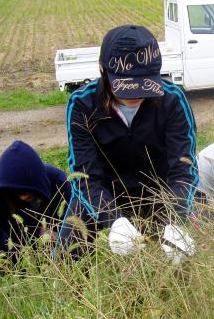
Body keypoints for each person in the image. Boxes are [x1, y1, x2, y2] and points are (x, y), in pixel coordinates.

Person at [57, 25, 198, 262]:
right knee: (66, 258)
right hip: (102, 193)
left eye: (144, 84)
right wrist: (113, 220)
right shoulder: (82, 105)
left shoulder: (173, 101)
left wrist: (175, 219)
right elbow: (84, 177)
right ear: (102, 69)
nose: (134, 95)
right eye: (124, 85)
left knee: (182, 255)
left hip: (158, 194)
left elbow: (183, 170)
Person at [0, 140, 71, 264]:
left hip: (55, 247)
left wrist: (59, 236)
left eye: (27, 190)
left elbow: (75, 225)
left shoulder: (59, 182)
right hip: (15, 247)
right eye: (17, 192)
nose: (23, 197)